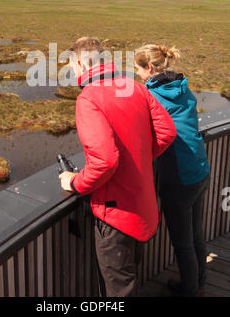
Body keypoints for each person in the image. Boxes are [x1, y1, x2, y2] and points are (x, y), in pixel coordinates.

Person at [59, 36, 177, 297]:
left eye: (72, 66)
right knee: (129, 279)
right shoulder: (134, 87)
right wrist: (139, 158)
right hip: (142, 205)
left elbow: (105, 161)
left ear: (80, 63)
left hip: (114, 215)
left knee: (118, 291)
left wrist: (75, 182)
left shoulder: (88, 99)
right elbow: (167, 132)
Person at [134, 43, 210, 297]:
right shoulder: (181, 86)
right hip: (199, 168)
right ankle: (200, 283)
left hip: (179, 178)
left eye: (138, 69)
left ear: (150, 68)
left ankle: (189, 290)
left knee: (183, 243)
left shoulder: (151, 97)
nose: (137, 75)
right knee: (196, 234)